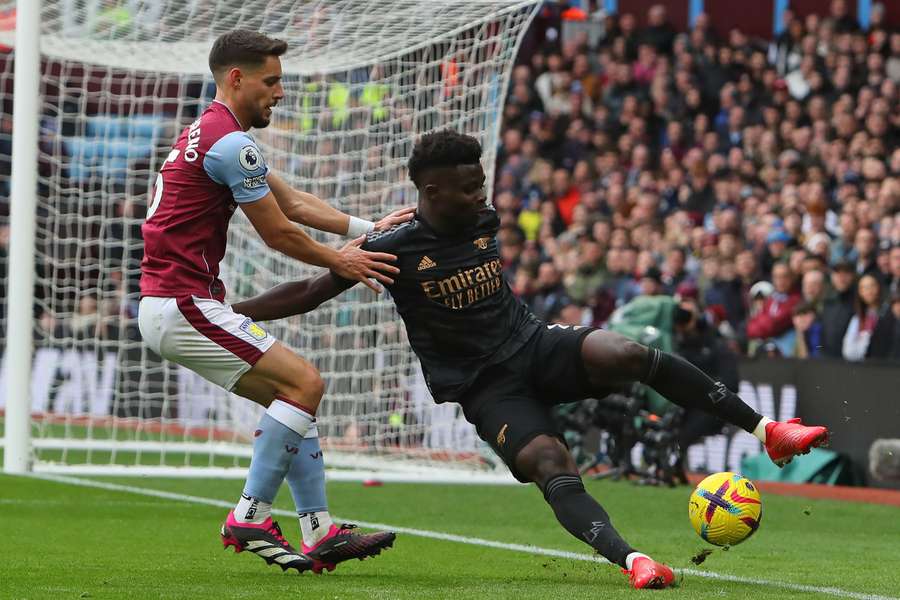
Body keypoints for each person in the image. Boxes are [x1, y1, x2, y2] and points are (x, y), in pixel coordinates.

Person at [231, 130, 830, 589]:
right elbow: (310, 291)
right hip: (485, 387)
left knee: (624, 350)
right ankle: (636, 561)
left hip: (535, 343)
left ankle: (768, 430)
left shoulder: (483, 218)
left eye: (481, 182)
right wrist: (231, 310)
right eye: (467, 188)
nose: (481, 195)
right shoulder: (392, 249)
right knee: (550, 460)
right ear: (432, 191)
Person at [138, 30, 408, 574]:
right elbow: (280, 234)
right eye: (272, 80)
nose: (279, 92)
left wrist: (367, 228)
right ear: (236, 78)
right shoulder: (230, 143)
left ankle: (320, 530)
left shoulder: (214, 134)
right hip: (183, 302)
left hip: (173, 304)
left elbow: (296, 202)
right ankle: (249, 514)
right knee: (305, 383)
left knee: (293, 399)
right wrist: (342, 260)